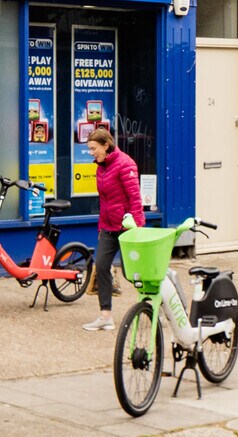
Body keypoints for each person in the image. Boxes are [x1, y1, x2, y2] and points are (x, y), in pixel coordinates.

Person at [83, 124, 143, 331]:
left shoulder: (125, 164)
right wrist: (101, 226)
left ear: (106, 145)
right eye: (90, 149)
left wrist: (136, 227)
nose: (92, 153)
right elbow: (105, 200)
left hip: (127, 227)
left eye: (94, 148)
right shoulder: (102, 167)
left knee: (132, 272)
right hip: (108, 226)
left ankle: (155, 305)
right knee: (101, 266)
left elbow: (135, 198)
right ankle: (106, 316)